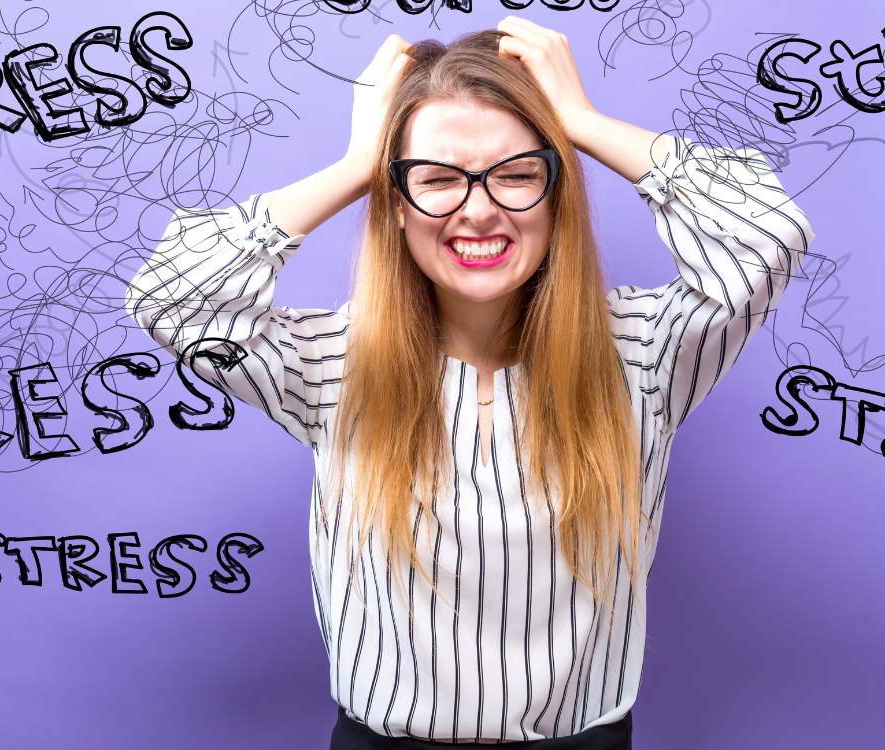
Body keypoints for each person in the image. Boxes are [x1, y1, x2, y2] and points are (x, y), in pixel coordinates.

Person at [124, 16, 812, 749]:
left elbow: (765, 236)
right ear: (395, 204)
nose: (477, 209)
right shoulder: (328, 363)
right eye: (437, 180)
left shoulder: (644, 354)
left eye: (517, 175)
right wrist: (361, 163)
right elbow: (171, 296)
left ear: (557, 192)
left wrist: (581, 122)